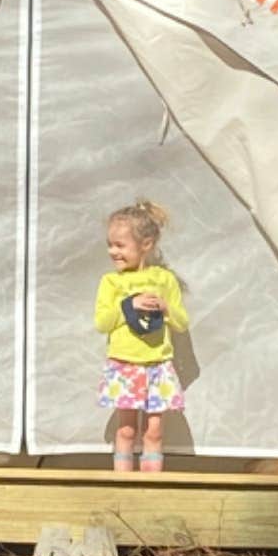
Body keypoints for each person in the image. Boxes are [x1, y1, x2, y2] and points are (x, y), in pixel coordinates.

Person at [94, 200, 190, 474]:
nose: (113, 252)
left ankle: (152, 487)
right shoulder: (111, 282)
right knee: (125, 430)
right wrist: (129, 306)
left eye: (120, 245)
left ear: (145, 244)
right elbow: (102, 322)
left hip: (157, 366)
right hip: (125, 365)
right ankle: (123, 486)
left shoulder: (164, 280)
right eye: (110, 244)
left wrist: (165, 308)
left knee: (155, 432)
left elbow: (182, 323)